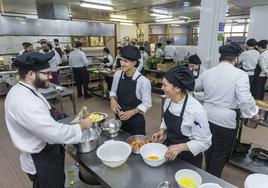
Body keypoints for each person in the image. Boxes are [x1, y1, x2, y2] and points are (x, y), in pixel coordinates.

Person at [5, 51, 93, 188]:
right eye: (46, 73)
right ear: (30, 74)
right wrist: (81, 126)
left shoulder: (24, 90)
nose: (50, 77)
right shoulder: (25, 102)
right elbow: (54, 134)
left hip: (44, 151)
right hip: (41, 158)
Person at [195, 44, 260, 177]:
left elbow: (195, 86)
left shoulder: (208, 72)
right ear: (235, 59)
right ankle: (212, 181)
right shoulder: (240, 74)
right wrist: (253, 114)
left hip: (206, 116)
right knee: (220, 154)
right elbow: (244, 99)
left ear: (221, 57)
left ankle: (208, 173)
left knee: (209, 148)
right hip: (226, 121)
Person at [151, 66, 211, 168]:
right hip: (169, 151)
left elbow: (205, 142)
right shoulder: (169, 100)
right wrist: (162, 130)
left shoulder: (196, 110)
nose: (162, 88)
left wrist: (180, 147)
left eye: (165, 85)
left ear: (177, 88)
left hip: (188, 158)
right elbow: (166, 119)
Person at [110, 45, 152, 135]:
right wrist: (113, 99)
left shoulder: (143, 81)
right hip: (119, 118)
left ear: (134, 62)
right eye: (121, 60)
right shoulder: (117, 75)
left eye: (126, 61)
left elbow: (147, 103)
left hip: (135, 122)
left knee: (135, 146)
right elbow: (113, 91)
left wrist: (132, 112)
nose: (122, 63)